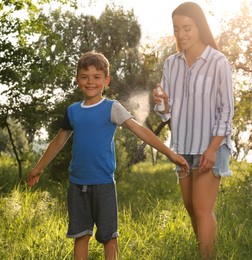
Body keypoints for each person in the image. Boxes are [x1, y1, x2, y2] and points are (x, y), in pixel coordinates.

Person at [27, 51, 189, 260]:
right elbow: (59, 140)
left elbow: (139, 130)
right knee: (81, 235)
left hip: (103, 184)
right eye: (85, 77)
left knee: (109, 237)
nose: (90, 82)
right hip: (77, 184)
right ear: (78, 80)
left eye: (96, 77)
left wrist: (171, 154)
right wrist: (38, 168)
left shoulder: (112, 108)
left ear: (106, 80)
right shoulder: (73, 111)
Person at [152, 2, 234, 259]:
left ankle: (205, 257)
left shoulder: (218, 62)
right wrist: (162, 102)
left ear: (200, 27)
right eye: (177, 29)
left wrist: (212, 148)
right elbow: (166, 112)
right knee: (191, 208)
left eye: (187, 28)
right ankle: (209, 252)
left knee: (201, 207)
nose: (182, 34)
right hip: (182, 147)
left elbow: (227, 110)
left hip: (211, 146)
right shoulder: (171, 64)